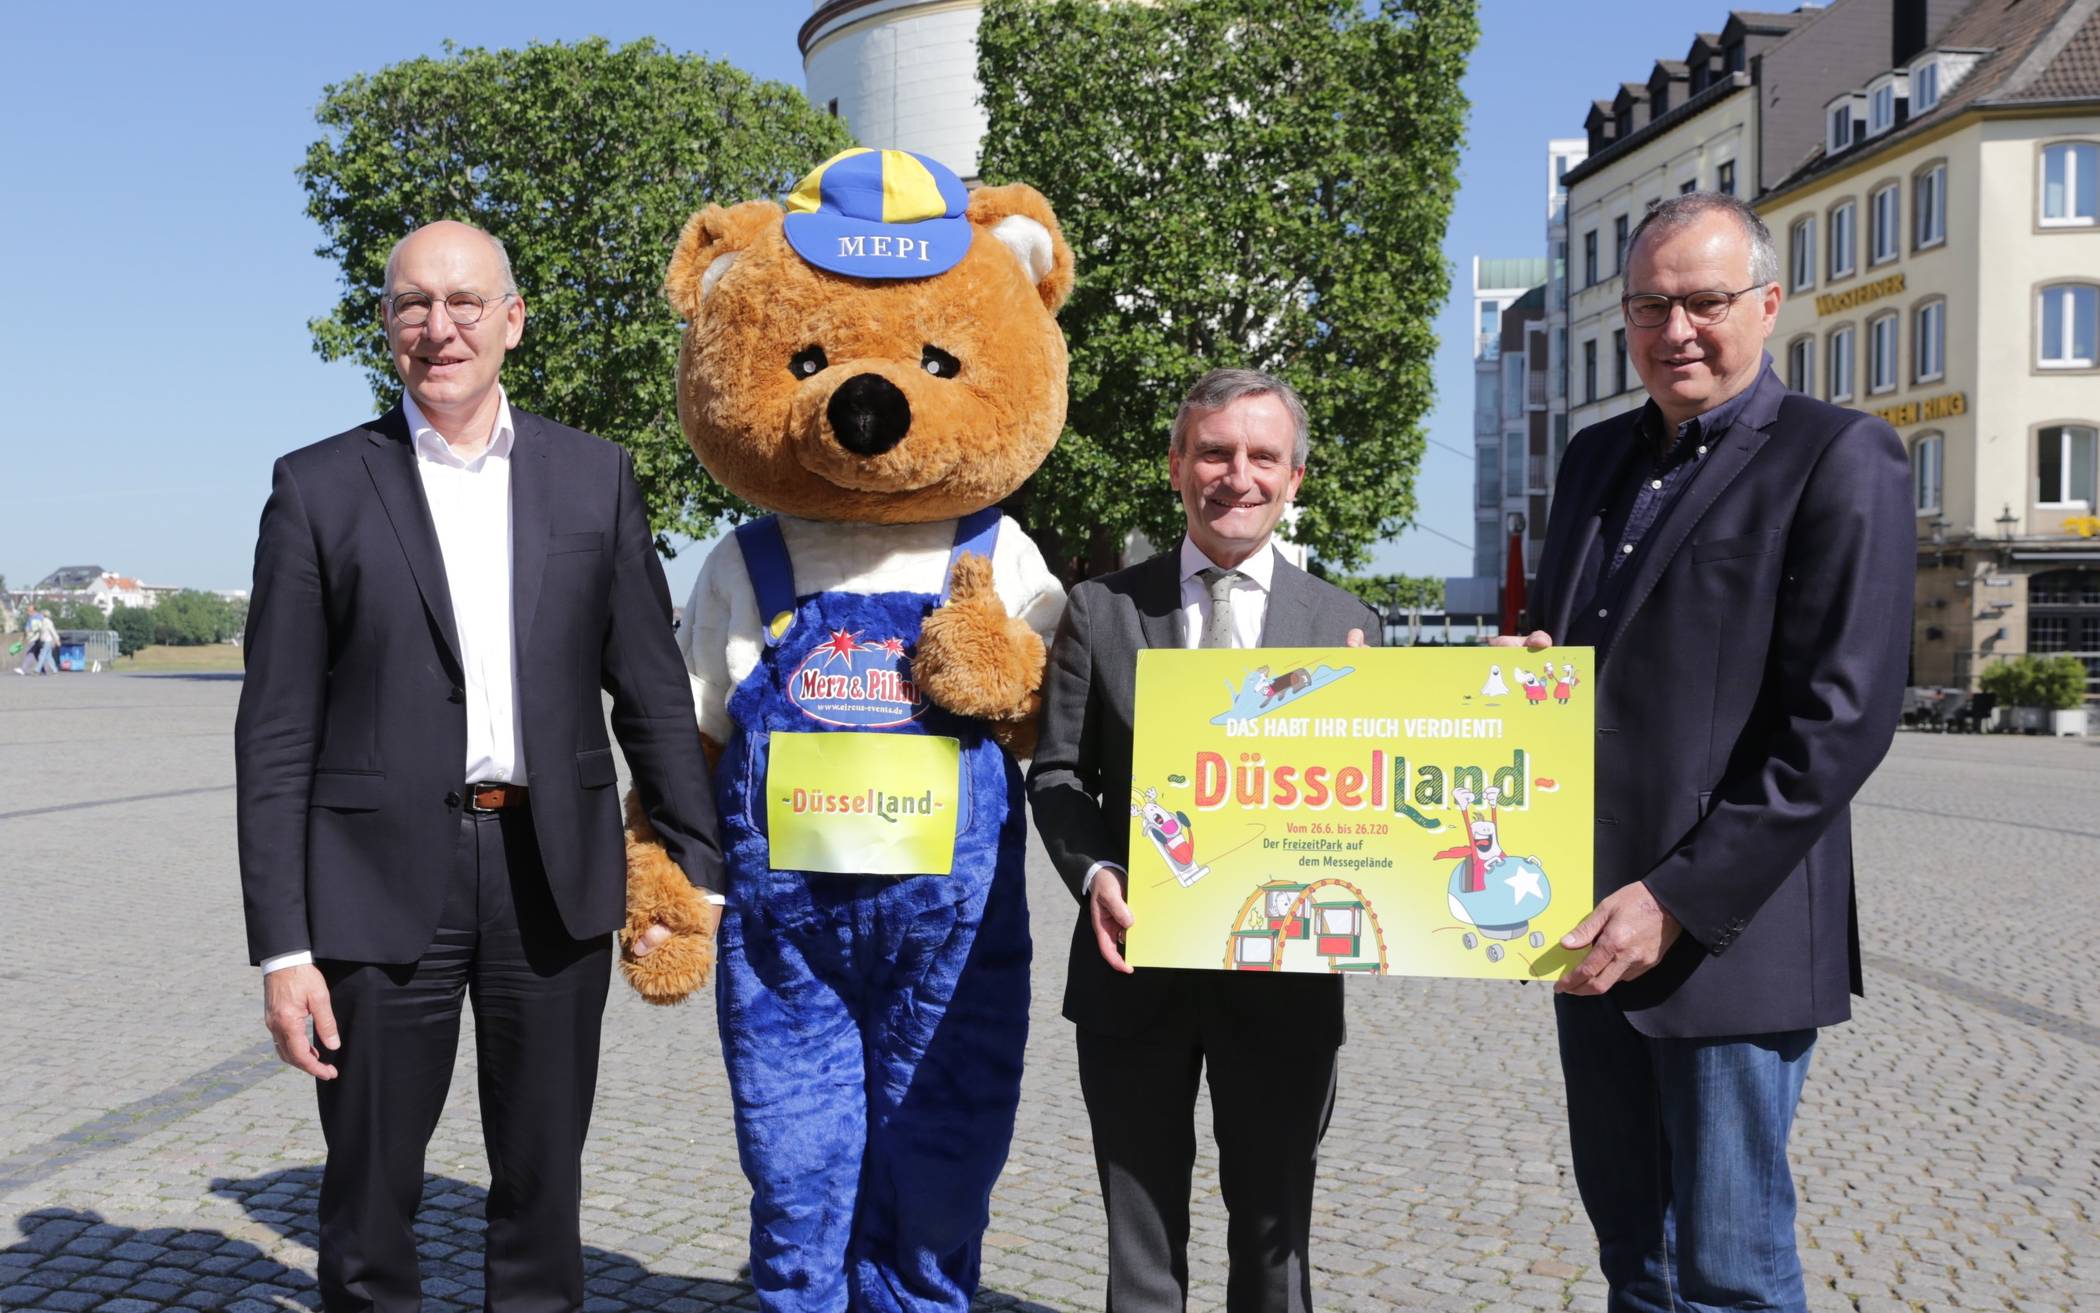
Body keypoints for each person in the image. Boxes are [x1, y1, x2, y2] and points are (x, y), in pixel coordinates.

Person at [235, 220, 727, 1313]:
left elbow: (648, 686)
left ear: (512, 320)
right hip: (370, 882)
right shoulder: (317, 487)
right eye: (413, 303)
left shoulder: (594, 478)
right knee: (367, 1195)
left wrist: (694, 867)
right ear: (386, 326)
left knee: (544, 1188)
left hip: (551, 877)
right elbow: (273, 731)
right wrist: (283, 944)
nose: (438, 325)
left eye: (464, 302)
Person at [1503, 192, 1911, 1313]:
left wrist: (1674, 897)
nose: (1676, 328)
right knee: (1634, 1257)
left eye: (1704, 301)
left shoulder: (1841, 456)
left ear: (1767, 304)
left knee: (1730, 1273)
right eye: (1649, 305)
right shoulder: (1591, 459)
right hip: (1585, 925)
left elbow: (1840, 720)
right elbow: (1587, 663)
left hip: (1727, 935)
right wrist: (1522, 680)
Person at [1028, 368, 1380, 1313]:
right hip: (1134, 965)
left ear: (1294, 476)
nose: (1238, 475)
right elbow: (1058, 775)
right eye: (1215, 451)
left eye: (1263, 455)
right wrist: (1095, 871)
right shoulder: (1101, 610)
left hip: (1286, 983)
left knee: (1277, 1244)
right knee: (1141, 1249)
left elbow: (1382, 799)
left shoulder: (1349, 625)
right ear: (1178, 465)